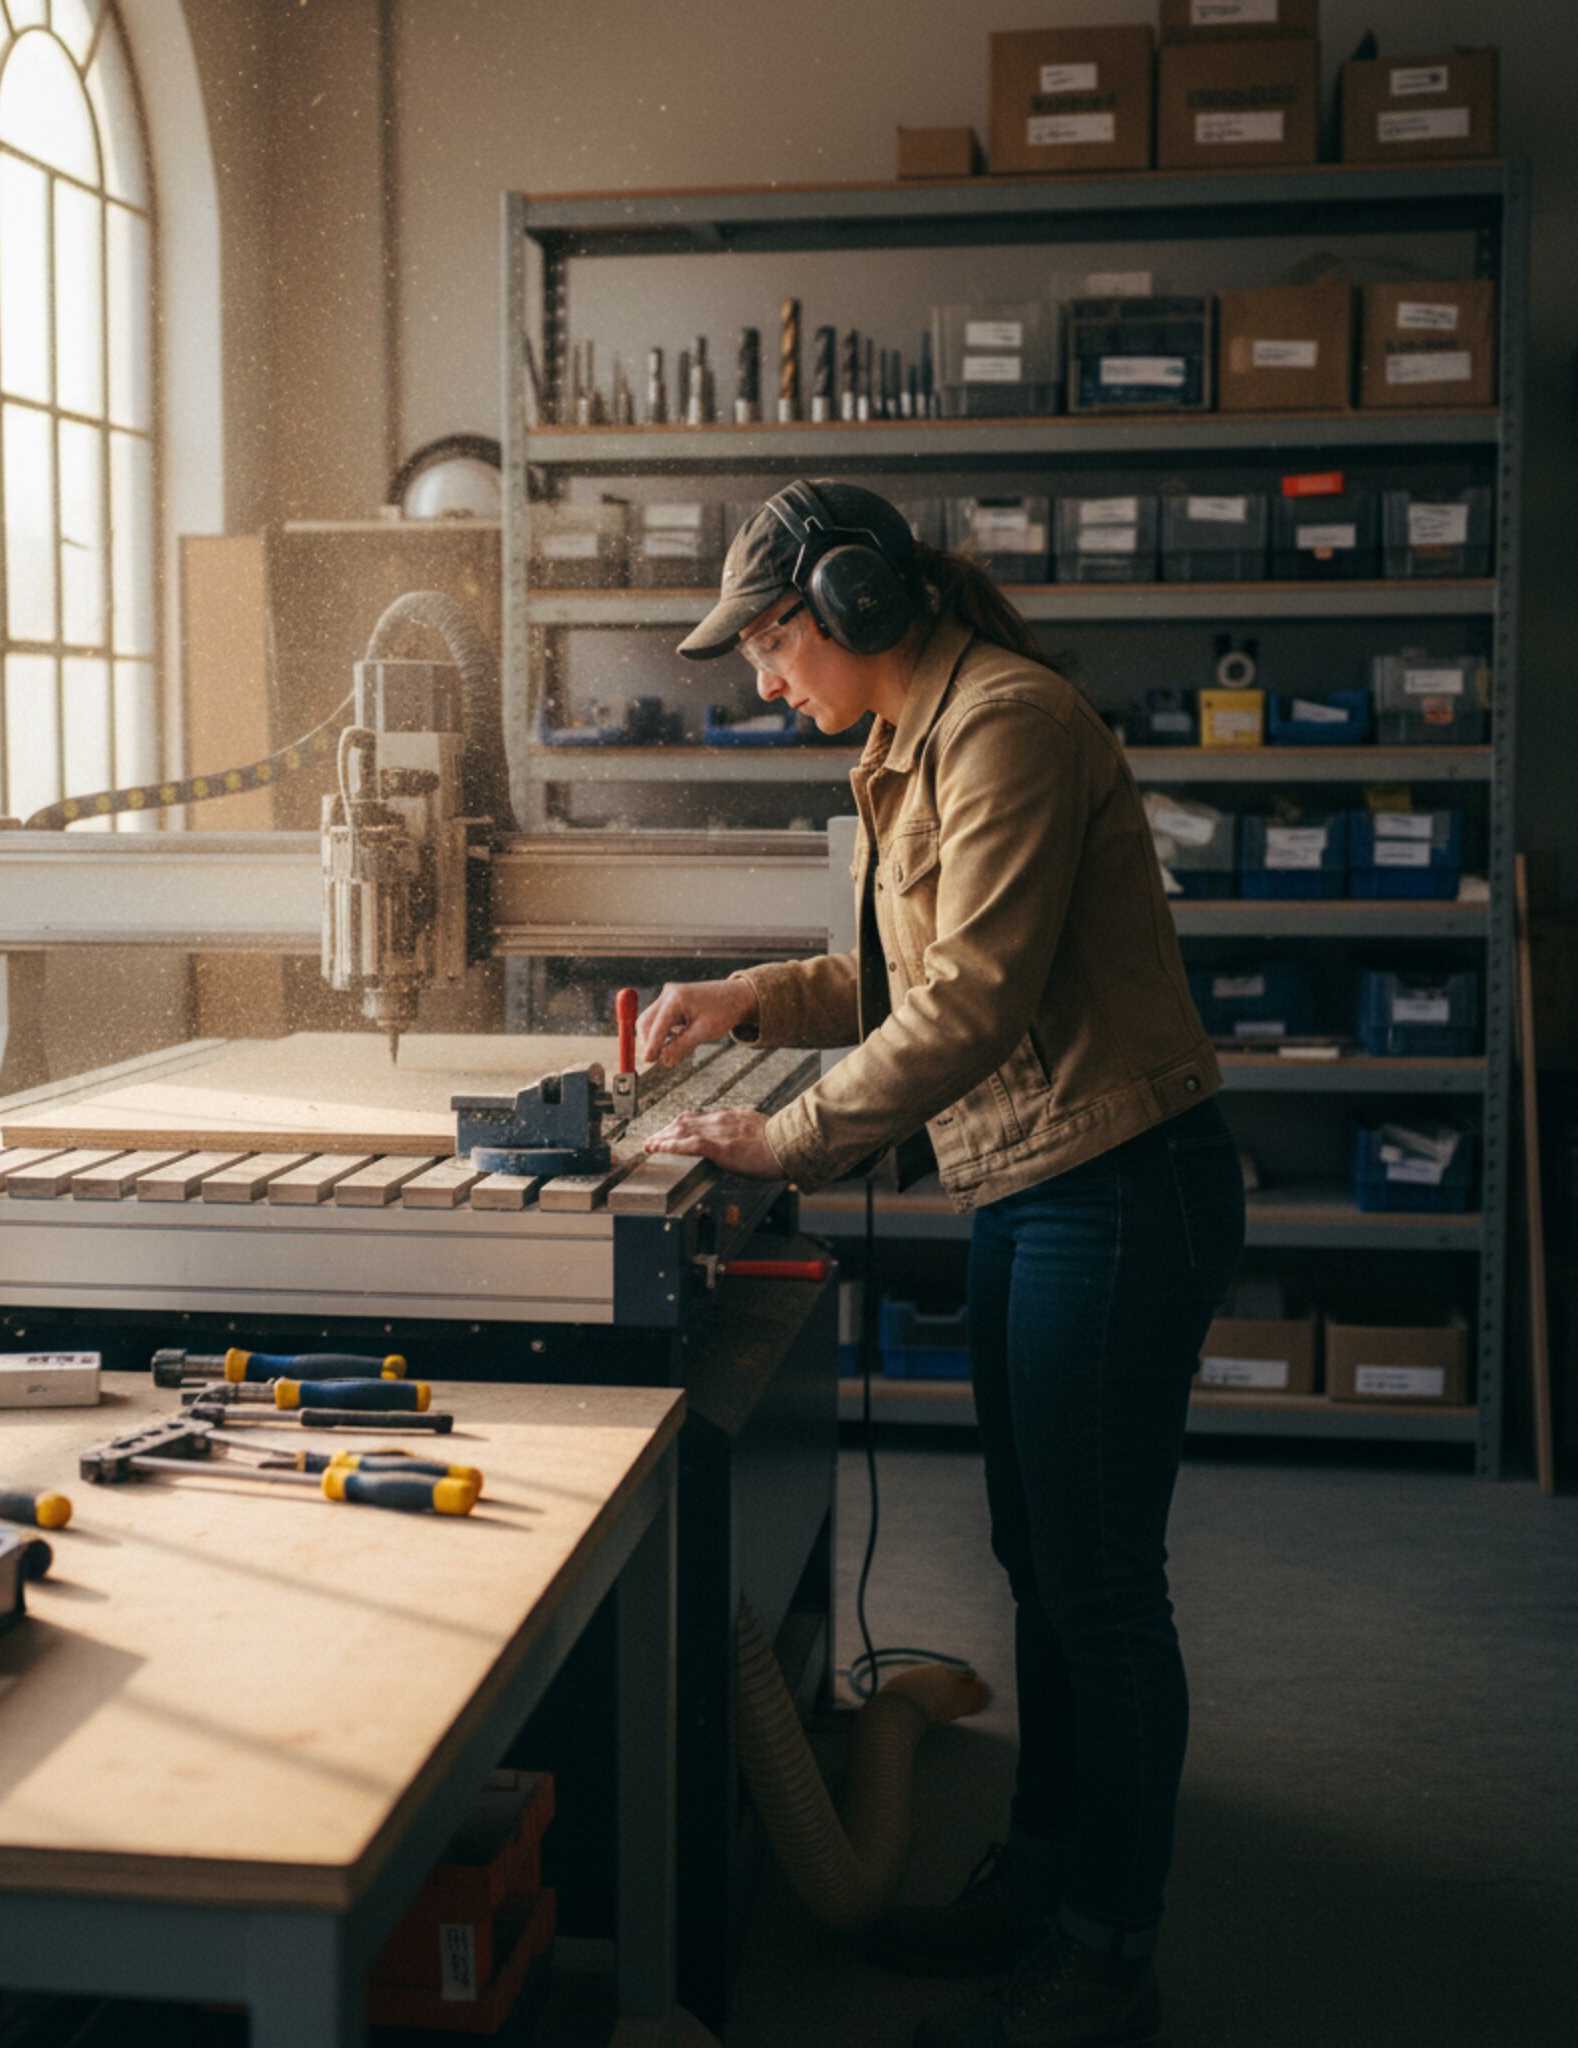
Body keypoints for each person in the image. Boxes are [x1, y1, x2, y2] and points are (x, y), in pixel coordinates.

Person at [637, 480, 1245, 2048]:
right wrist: (750, 998)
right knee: (1045, 1566)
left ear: (850, 602)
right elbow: (901, 972)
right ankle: (1044, 1877)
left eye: (772, 642)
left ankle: (1108, 1957)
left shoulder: (1006, 728)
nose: (766, 679)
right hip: (1043, 1189)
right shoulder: (916, 739)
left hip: (1119, 1190)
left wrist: (785, 1140)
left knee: (1103, 1590)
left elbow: (971, 999)